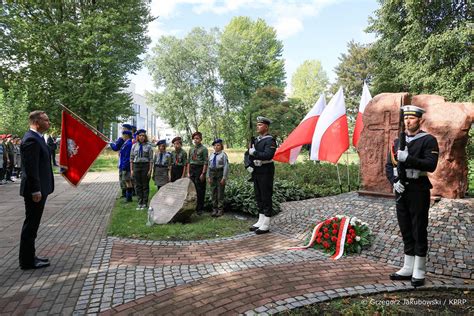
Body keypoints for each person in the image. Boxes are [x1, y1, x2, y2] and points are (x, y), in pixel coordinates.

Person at [385, 105, 439, 287]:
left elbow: (430, 165)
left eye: (412, 118)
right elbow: (388, 166)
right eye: (406, 118)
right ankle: (408, 266)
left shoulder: (428, 140)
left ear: (419, 120)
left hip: (418, 189)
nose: (408, 121)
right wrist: (395, 182)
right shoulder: (396, 142)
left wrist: (407, 158)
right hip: (402, 190)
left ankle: (419, 269)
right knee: (405, 227)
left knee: (418, 228)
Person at [19, 111, 54, 270]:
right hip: (35, 191)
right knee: (31, 225)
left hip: (40, 188)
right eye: (46, 120)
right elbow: (31, 169)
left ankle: (30, 256)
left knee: (33, 225)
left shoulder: (38, 138)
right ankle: (27, 261)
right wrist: (35, 190)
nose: (49, 123)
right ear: (36, 122)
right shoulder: (31, 140)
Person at [247, 116, 277, 234]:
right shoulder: (257, 140)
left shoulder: (270, 140)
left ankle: (267, 223)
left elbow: (268, 155)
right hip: (257, 170)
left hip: (266, 170)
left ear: (266, 127)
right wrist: (249, 163)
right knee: (258, 195)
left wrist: (255, 152)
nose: (257, 126)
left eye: (260, 125)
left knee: (266, 195)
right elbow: (249, 154)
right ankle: (260, 220)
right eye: (257, 124)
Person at [130, 129, 154, 210]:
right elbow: (131, 159)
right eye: (140, 136)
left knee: (145, 185)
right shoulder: (134, 146)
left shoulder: (149, 146)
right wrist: (131, 170)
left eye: (143, 136)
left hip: (145, 166)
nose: (141, 137)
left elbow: (151, 159)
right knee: (137, 185)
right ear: (138, 137)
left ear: (145, 137)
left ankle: (145, 202)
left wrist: (150, 170)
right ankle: (139, 202)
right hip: (136, 166)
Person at [207, 138, 229, 217]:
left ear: (221, 146)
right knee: (213, 192)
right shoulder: (211, 155)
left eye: (218, 145)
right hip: (212, 173)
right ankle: (214, 209)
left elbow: (226, 167)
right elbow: (209, 166)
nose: (216, 147)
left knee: (220, 192)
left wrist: (224, 177)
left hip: (220, 173)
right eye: (215, 145)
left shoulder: (223, 155)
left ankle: (220, 209)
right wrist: (208, 176)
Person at [187, 131, 208, 215]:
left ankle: (200, 208)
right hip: (192, 168)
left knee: (200, 189)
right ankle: (193, 206)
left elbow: (205, 162)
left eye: (197, 138)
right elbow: (188, 161)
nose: (196, 140)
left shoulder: (204, 149)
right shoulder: (191, 149)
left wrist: (203, 173)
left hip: (200, 169)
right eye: (194, 138)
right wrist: (188, 172)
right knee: (192, 188)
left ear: (201, 139)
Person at [110, 124, 133, 198]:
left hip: (125, 164)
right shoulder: (125, 143)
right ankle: (126, 195)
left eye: (124, 129)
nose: (122, 131)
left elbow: (127, 155)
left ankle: (128, 197)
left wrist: (124, 165)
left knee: (127, 180)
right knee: (125, 180)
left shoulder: (128, 143)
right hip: (123, 163)